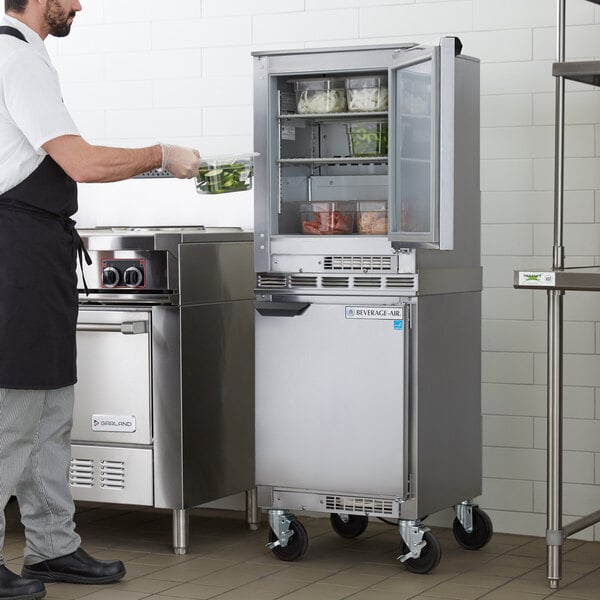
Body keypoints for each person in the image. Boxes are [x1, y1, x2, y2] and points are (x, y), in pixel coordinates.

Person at [0, 1, 201, 598]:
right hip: (15, 257)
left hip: (35, 251)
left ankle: (52, 548)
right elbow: (82, 162)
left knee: (50, 412)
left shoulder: (24, 54)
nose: (79, 4)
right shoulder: (14, 55)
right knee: (13, 415)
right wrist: (161, 156)